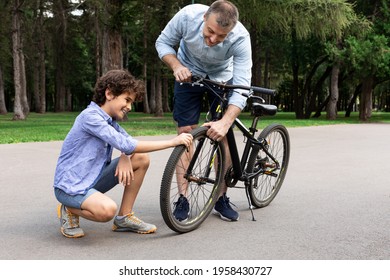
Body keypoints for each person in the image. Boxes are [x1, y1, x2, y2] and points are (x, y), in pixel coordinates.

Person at [53, 69, 193, 238]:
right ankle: (68, 208)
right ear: (109, 93)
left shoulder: (110, 121)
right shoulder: (90, 117)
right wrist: (173, 142)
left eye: (131, 102)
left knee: (140, 158)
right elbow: (126, 144)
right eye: (127, 100)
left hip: (91, 180)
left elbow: (126, 142)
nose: (129, 107)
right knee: (106, 210)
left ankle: (124, 217)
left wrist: (125, 157)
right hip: (70, 188)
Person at [155, 0, 252, 222]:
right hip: (187, 73)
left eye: (221, 36)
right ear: (204, 17)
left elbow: (242, 85)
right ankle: (183, 198)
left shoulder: (240, 38)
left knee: (222, 135)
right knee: (185, 133)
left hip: (222, 78)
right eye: (210, 32)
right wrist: (176, 66)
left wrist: (226, 122)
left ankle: (221, 197)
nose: (213, 40)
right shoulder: (187, 16)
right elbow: (163, 43)